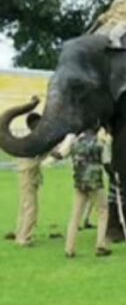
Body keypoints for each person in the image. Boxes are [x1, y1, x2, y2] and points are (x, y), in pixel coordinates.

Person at [54, 124, 112, 258]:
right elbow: (107, 164)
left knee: (75, 216)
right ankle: (100, 245)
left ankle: (69, 249)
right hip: (95, 183)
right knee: (103, 211)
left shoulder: (74, 142)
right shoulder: (100, 144)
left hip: (79, 183)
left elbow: (60, 154)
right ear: (97, 130)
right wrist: (114, 176)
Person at [5, 109, 48, 246]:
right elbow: (37, 157)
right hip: (28, 174)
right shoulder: (33, 140)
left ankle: (20, 233)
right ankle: (25, 237)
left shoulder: (29, 138)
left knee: (25, 206)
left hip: (27, 175)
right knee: (31, 207)